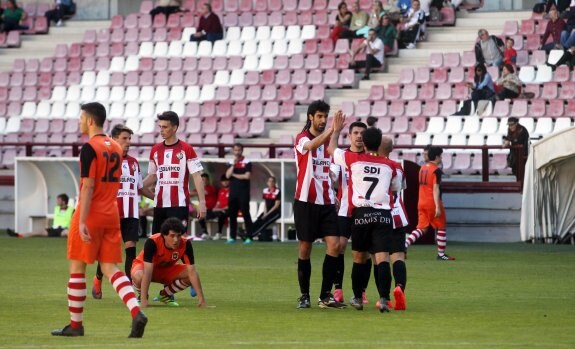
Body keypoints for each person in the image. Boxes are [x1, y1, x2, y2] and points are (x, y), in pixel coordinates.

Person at [51, 102, 147, 338]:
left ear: (91, 120)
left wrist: (81, 220)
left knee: (77, 269)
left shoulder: (89, 148)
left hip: (91, 213)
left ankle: (76, 325)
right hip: (111, 213)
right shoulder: (115, 147)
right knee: (110, 268)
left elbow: (88, 186)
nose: (79, 121)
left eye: (81, 117)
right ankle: (136, 312)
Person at [328, 121, 403, 312]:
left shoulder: (353, 160)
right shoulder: (392, 165)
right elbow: (396, 188)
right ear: (379, 145)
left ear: (365, 143)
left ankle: (357, 297)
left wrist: (336, 131)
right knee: (382, 257)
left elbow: (331, 149)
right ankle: (384, 299)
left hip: (361, 213)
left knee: (358, 258)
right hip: (383, 214)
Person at [92, 124, 154, 299]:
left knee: (131, 251)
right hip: (112, 213)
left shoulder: (134, 163)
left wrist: (158, 198)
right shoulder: (105, 161)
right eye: (125, 138)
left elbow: (140, 188)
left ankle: (128, 290)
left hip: (131, 214)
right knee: (107, 252)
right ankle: (98, 278)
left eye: (129, 139)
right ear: (114, 139)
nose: (128, 142)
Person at [294, 100, 346, 309]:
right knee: (305, 249)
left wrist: (336, 133)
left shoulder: (328, 144)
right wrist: (332, 130)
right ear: (310, 117)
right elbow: (311, 146)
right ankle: (304, 295)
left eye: (326, 117)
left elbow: (331, 168)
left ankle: (325, 296)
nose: (323, 120)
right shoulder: (302, 139)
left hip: (326, 203)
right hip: (305, 202)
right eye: (320, 116)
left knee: (335, 245)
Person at [142, 111, 207, 237]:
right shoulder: (155, 150)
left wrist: (202, 203)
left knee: (179, 241)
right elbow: (152, 176)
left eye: (165, 127)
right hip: (160, 204)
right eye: (160, 127)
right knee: (158, 242)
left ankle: (188, 257)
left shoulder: (186, 149)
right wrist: (137, 185)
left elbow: (197, 176)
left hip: (179, 204)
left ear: (175, 128)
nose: (161, 130)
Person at [329, 121, 368, 305]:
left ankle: (361, 291)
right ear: (349, 136)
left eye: (362, 133)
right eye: (356, 132)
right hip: (344, 208)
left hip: (364, 210)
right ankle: (338, 289)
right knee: (339, 247)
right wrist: (332, 192)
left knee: (364, 253)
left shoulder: (370, 157)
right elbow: (333, 178)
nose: (359, 136)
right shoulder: (342, 156)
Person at [131, 217, 206, 308]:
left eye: (178, 236)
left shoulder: (186, 244)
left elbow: (192, 272)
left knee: (192, 275)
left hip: (165, 269)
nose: (176, 240)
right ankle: (142, 296)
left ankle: (164, 295)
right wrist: (144, 301)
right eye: (172, 236)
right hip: (145, 268)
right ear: (164, 235)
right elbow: (148, 272)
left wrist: (202, 300)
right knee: (139, 276)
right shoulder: (152, 242)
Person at [405, 146, 455, 261]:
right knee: (441, 227)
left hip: (421, 202)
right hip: (432, 202)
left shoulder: (422, 168)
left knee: (422, 228)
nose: (441, 158)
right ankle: (441, 254)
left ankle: (404, 245)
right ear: (437, 156)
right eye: (441, 156)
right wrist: (437, 206)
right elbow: (435, 189)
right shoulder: (436, 171)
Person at [377, 135, 408, 311]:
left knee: (381, 257)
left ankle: (385, 298)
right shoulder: (397, 167)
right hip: (398, 214)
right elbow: (400, 188)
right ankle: (400, 287)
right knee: (398, 256)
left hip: (380, 214)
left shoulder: (372, 164)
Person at [7, 193, 74, 238]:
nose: (57, 201)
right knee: (37, 231)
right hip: (54, 229)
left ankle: (78, 241)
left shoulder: (72, 210)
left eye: (58, 200)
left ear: (64, 201)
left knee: (68, 232)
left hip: (63, 229)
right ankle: (18, 235)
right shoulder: (56, 208)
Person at [225, 143, 253, 244]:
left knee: (246, 214)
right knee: (232, 215)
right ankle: (232, 237)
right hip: (233, 193)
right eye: (235, 150)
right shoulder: (230, 162)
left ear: (242, 150)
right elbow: (227, 176)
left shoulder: (247, 162)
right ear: (233, 151)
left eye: (239, 150)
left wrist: (234, 175)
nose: (237, 152)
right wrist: (233, 165)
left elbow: (247, 176)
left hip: (243, 192)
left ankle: (249, 236)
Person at [248, 176, 281, 241]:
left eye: (272, 181)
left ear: (274, 183)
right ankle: (248, 232)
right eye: (269, 181)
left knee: (265, 222)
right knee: (258, 220)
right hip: (267, 211)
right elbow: (265, 203)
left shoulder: (278, 191)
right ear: (267, 183)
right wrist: (265, 213)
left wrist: (266, 214)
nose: (270, 183)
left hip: (275, 212)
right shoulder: (265, 190)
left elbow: (276, 206)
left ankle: (250, 235)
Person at [192, 173, 218, 240]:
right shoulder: (199, 188)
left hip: (212, 210)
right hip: (205, 210)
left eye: (205, 180)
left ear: (208, 180)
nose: (204, 181)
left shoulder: (211, 188)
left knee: (201, 214)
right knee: (198, 213)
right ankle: (204, 233)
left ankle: (205, 233)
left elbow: (204, 192)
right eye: (202, 180)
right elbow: (190, 194)